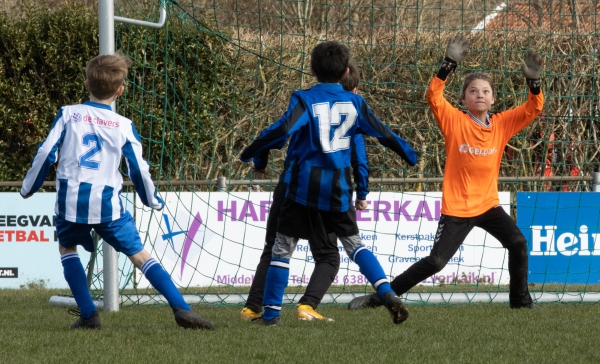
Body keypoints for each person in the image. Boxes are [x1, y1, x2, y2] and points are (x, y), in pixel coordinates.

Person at [348, 35, 544, 313]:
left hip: (488, 205)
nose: (479, 95)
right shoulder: (454, 120)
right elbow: (434, 96)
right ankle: (381, 297)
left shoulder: (502, 124)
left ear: (493, 99)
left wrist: (534, 84)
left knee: (518, 242)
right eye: (473, 91)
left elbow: (533, 108)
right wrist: (448, 64)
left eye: (485, 91)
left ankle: (521, 302)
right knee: (437, 262)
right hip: (457, 208)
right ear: (463, 99)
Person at [20, 52, 214, 330]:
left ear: (86, 84)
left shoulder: (68, 114)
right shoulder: (123, 125)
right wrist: (151, 199)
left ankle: (89, 315)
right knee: (139, 255)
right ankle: (181, 308)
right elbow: (139, 169)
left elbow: (46, 153)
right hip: (108, 206)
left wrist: (28, 187)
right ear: (120, 90)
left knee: (67, 248)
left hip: (70, 203)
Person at [240, 41, 418, 326]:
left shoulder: (304, 99)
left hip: (301, 186)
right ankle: (386, 291)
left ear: (311, 69)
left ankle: (271, 315)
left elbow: (281, 130)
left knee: (282, 248)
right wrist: (409, 154)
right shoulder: (356, 103)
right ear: (346, 71)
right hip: (338, 188)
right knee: (354, 245)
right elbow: (383, 133)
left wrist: (251, 152)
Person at [240, 61, 369, 322]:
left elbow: (272, 134)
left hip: (289, 186)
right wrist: (362, 193)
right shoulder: (349, 116)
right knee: (328, 255)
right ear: (352, 89)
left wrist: (260, 161)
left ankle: (253, 308)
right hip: (326, 190)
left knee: (274, 248)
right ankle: (307, 306)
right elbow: (360, 159)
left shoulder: (307, 106)